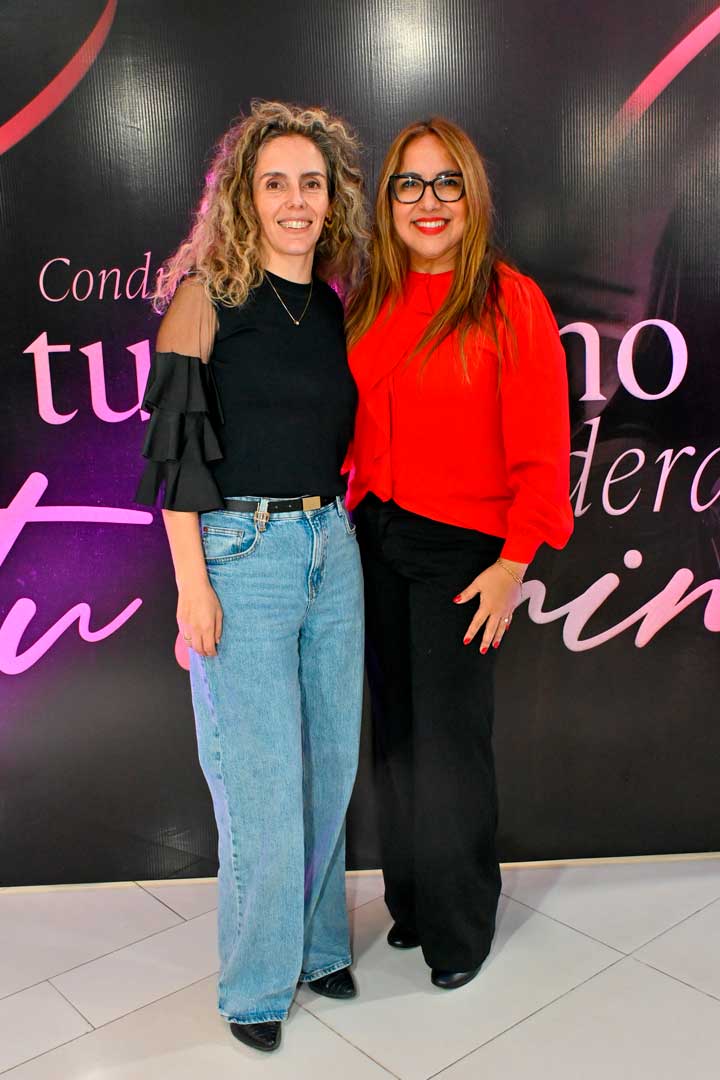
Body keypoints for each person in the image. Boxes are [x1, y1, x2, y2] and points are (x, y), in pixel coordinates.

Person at [135, 100, 368, 1053]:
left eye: (311, 182)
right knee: (263, 786)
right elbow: (175, 457)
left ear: (332, 198)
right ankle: (257, 985)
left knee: (329, 769)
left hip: (331, 549)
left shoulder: (331, 306)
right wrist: (192, 586)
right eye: (276, 183)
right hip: (242, 554)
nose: (295, 200)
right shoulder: (205, 297)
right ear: (244, 196)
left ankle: (319, 946)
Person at [345, 117, 573, 990]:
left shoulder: (510, 300)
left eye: (447, 182)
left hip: (466, 555)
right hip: (376, 537)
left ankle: (461, 928)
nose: (428, 201)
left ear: (472, 195)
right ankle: (410, 904)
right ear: (389, 201)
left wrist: (512, 565)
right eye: (410, 183)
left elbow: (544, 450)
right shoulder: (369, 298)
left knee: (449, 747)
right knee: (395, 737)